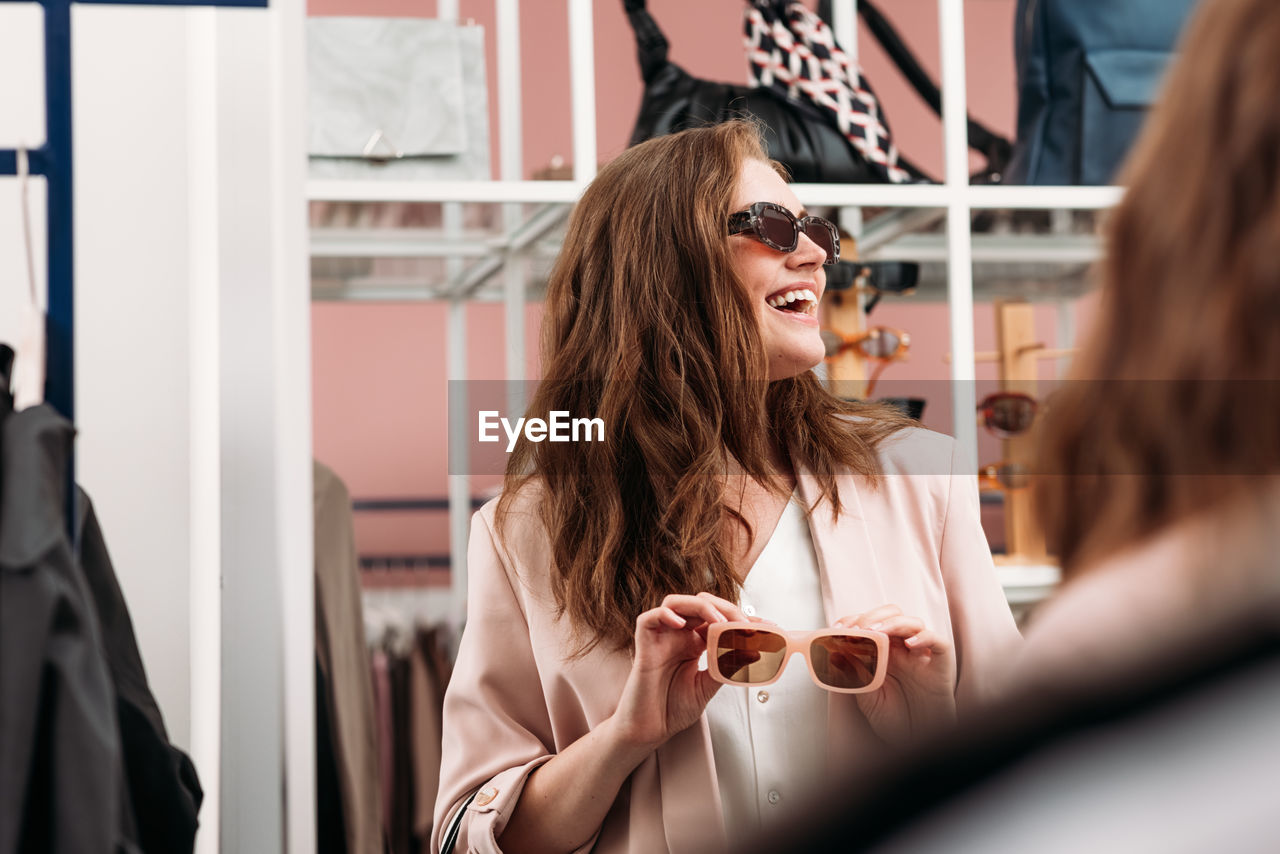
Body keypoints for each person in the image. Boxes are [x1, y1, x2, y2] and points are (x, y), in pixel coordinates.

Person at [431, 120, 1020, 854]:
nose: (812, 254)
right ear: (661, 264)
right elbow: (470, 838)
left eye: (816, 232)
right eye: (772, 226)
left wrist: (932, 726)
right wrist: (624, 737)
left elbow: (1039, 788)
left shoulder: (922, 479)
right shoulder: (525, 530)